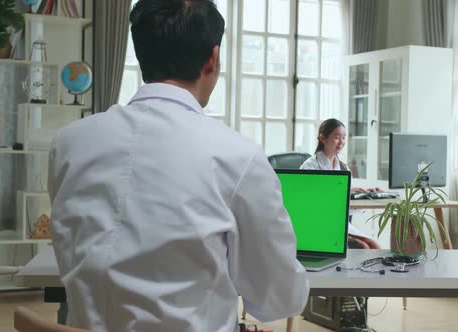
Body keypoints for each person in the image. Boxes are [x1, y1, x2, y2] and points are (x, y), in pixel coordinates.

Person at [47, 1, 309, 331]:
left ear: (141, 54)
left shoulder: (69, 144)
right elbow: (279, 299)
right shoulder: (237, 156)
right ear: (213, 58)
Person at [300, 118, 381, 249]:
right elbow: (308, 203)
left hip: (339, 224)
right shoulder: (310, 167)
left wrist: (364, 194)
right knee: (364, 247)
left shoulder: (343, 168)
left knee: (374, 246)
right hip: (319, 225)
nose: (341, 142)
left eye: (343, 138)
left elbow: (350, 206)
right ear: (322, 138)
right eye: (337, 137)